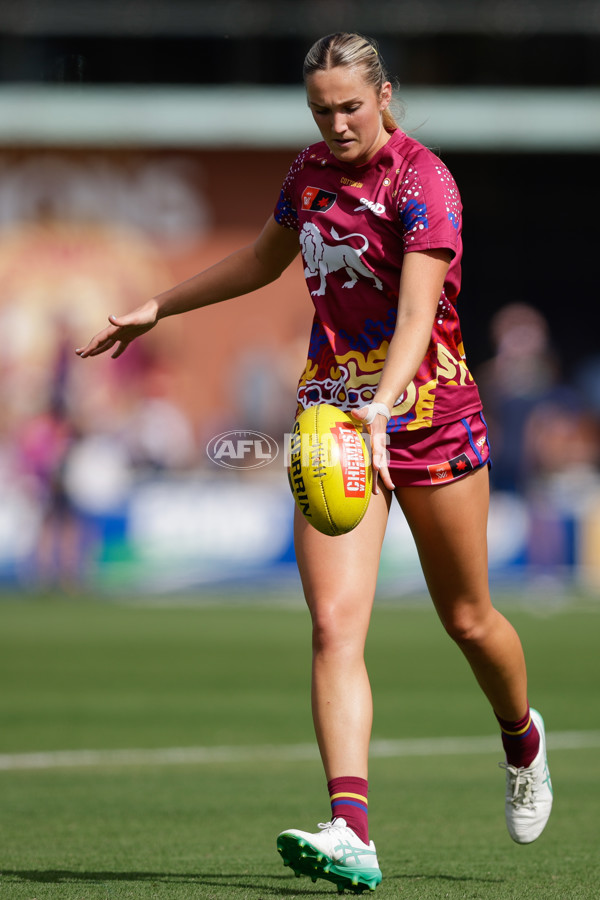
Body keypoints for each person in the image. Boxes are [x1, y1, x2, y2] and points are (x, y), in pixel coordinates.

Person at [76, 32, 553, 894]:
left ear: (385, 96)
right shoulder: (308, 175)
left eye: (349, 107)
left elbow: (417, 316)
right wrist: (159, 305)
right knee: (335, 627)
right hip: (332, 420)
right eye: (320, 110)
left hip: (428, 415)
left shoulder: (424, 182)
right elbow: (264, 259)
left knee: (469, 619)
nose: (335, 123)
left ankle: (522, 738)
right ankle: (352, 827)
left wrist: (384, 405)